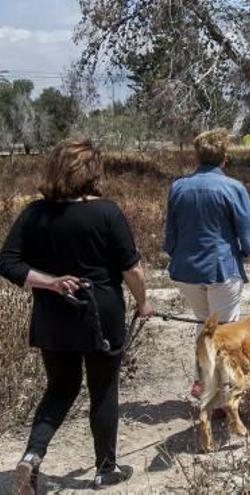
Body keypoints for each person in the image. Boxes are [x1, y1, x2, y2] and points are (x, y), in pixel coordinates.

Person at [0, 139, 154, 493]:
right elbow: (132, 270)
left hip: (53, 317)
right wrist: (143, 303)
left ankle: (31, 458)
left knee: (60, 387)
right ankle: (106, 469)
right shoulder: (107, 212)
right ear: (91, 172)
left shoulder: (34, 213)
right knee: (102, 390)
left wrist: (50, 282)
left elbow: (8, 262)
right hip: (100, 314)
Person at [163, 129, 250, 398]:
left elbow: (170, 236)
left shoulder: (178, 187)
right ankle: (219, 393)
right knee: (225, 331)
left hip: (186, 270)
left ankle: (202, 380)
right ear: (225, 158)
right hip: (222, 269)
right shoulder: (233, 188)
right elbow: (248, 233)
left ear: (197, 157)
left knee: (205, 325)